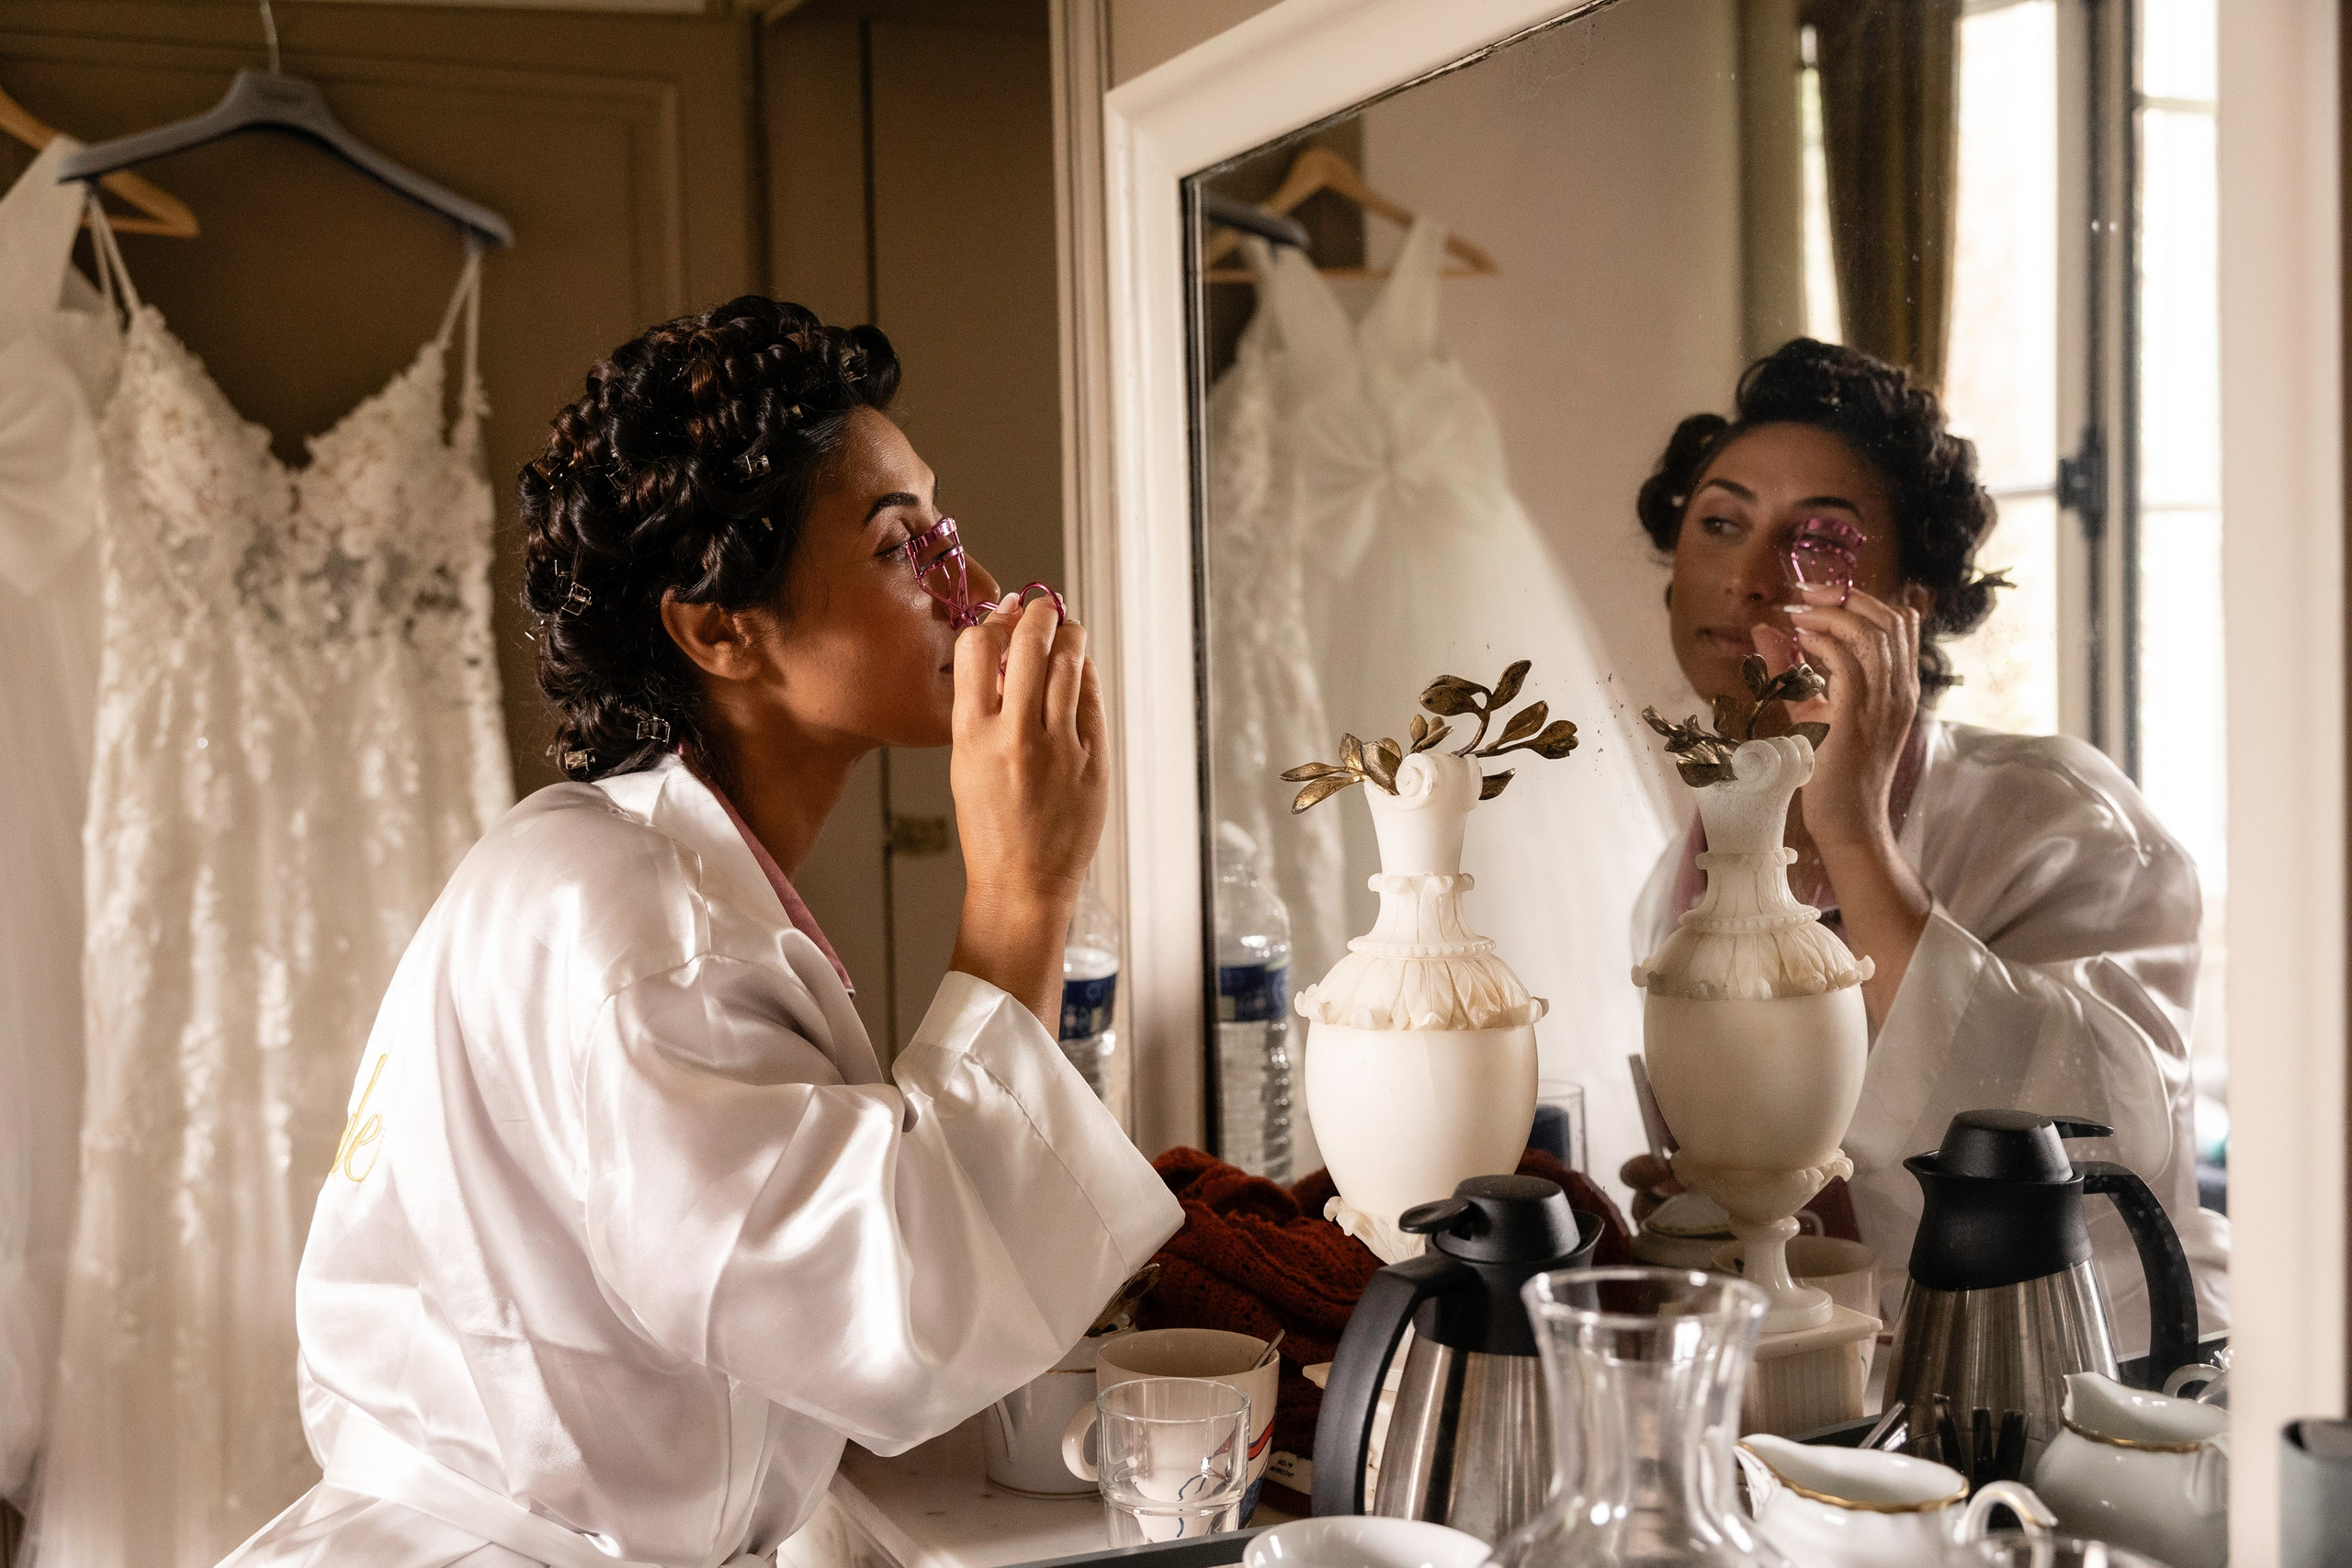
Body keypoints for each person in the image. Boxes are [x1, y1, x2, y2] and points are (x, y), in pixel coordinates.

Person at [219, 299, 1181, 1566]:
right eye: (903, 545)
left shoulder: (631, 863)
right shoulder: (634, 921)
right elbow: (888, 1309)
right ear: (720, 626)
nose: (981, 590)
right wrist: (1021, 894)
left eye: (945, 527)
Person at [1622, 338, 2226, 1354]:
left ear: (1913, 603)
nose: (1750, 577)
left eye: (1819, 542)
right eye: (1719, 524)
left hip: (2106, 1370)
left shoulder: (2061, 820)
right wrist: (1713, 1198)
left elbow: (2090, 1131)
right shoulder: (1677, 881)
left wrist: (1852, 828)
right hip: (1848, 1390)